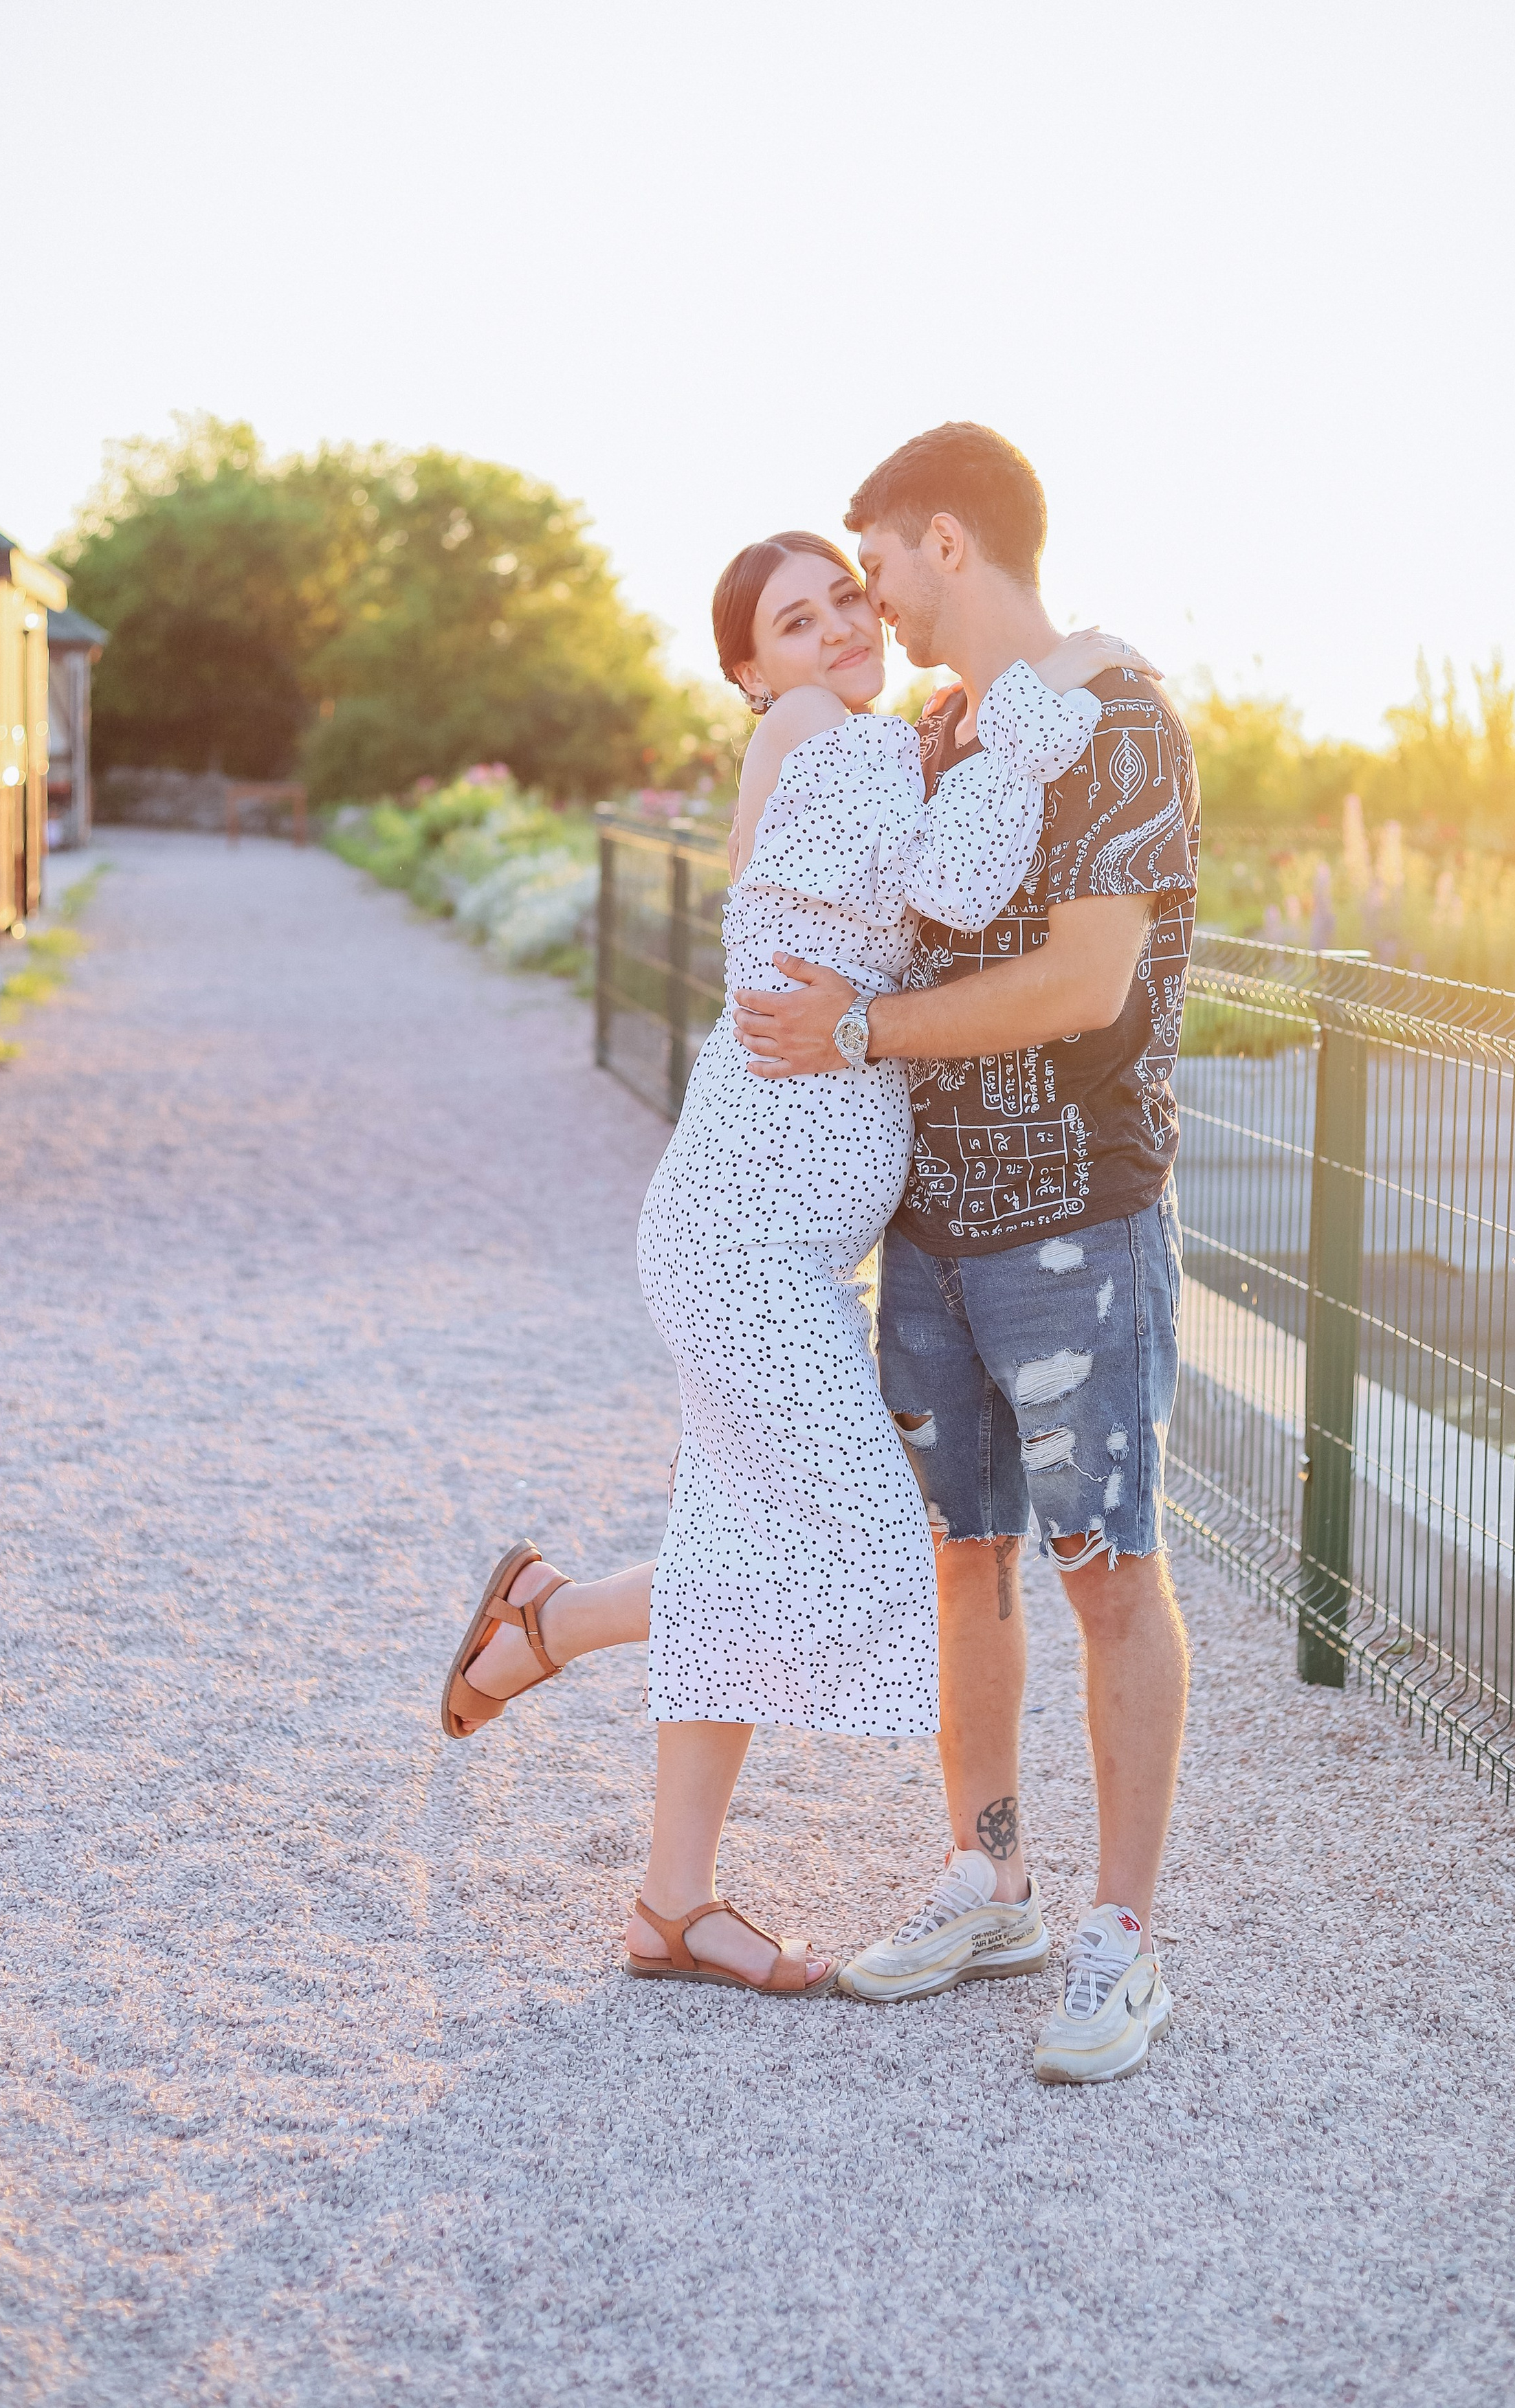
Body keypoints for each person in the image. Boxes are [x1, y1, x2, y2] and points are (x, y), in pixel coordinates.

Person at [438, 527, 1136, 1997]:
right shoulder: (836, 740)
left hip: (759, 1245)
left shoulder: (829, 753)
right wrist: (1039, 717)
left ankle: (670, 1905)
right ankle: (550, 1620)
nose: (833, 630)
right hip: (748, 1247)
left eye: (841, 599)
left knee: (753, 1529)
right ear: (751, 675)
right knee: (856, 1545)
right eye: (792, 621)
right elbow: (954, 890)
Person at [731, 424, 1199, 2082]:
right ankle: (986, 1875)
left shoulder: (1118, 716)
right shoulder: (940, 730)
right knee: (964, 1557)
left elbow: (1083, 983)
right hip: (924, 1227)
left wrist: (854, 1029)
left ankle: (1119, 1939)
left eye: (878, 572)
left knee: (1105, 1568)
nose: (873, 608)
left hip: (1072, 1221)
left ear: (946, 540)